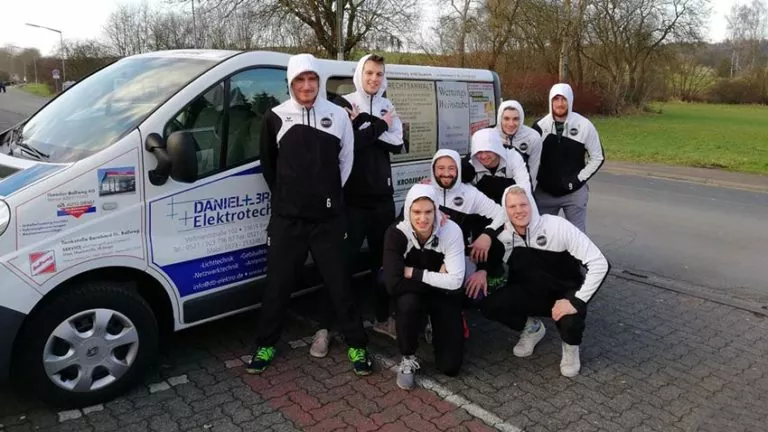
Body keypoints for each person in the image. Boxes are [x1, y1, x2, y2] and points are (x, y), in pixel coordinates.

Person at [249, 53, 372, 376]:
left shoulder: (338, 115)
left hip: (328, 220)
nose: (306, 86)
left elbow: (346, 161)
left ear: (319, 81)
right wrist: (290, 198)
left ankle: (357, 344)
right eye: (299, 80)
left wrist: (328, 195)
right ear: (290, 84)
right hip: (287, 219)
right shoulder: (274, 117)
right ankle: (265, 343)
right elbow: (268, 166)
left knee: (339, 284)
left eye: (312, 79)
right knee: (277, 284)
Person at [309, 54, 403, 355]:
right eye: (370, 73)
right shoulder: (344, 104)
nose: (374, 79)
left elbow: (397, 143)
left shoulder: (389, 106)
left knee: (383, 264)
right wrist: (377, 126)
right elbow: (350, 144)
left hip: (382, 202)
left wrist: (366, 127)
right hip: (351, 202)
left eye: (379, 74)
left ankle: (382, 319)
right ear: (359, 74)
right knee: (340, 266)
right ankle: (324, 327)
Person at [477, 185, 610, 377]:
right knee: (490, 305)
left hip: (564, 293)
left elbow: (599, 263)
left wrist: (577, 301)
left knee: (571, 323)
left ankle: (571, 347)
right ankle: (532, 328)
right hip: (531, 293)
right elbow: (479, 255)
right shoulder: (502, 237)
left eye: (523, 204)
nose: (519, 210)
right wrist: (482, 270)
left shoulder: (557, 226)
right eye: (512, 206)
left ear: (532, 205)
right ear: (505, 210)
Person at [382, 184, 466, 389]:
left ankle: (435, 324)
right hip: (418, 291)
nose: (423, 218)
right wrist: (438, 278)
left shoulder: (451, 230)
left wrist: (415, 273)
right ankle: (408, 357)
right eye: (417, 212)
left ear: (436, 210)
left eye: (428, 211)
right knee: (408, 304)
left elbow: (456, 281)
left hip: (435, 291)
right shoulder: (396, 233)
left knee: (450, 368)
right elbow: (393, 284)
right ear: (408, 210)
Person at [532, 83, 604, 233]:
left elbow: (598, 157)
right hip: (544, 194)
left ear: (570, 101)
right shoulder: (539, 126)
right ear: (550, 101)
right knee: (541, 235)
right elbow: (530, 159)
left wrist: (578, 180)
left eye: (563, 99)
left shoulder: (584, 126)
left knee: (577, 238)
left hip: (574, 194)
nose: (560, 104)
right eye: (556, 99)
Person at [495, 100, 542, 189]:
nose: (511, 124)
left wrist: (528, 194)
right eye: (506, 118)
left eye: (515, 119)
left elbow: (533, 170)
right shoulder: (491, 137)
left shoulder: (533, 137)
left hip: (522, 188)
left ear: (521, 119)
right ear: (500, 118)